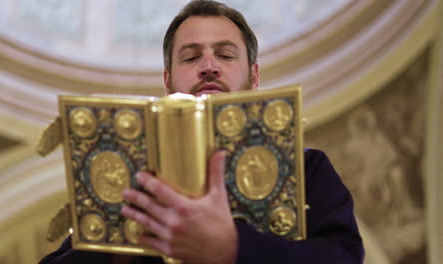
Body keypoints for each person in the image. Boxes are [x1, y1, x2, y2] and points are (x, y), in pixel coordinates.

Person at [39, 1, 364, 263]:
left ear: (254, 76)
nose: (209, 65)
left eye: (225, 54)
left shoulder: (306, 169)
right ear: (167, 82)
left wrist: (233, 248)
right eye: (191, 57)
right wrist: (117, 248)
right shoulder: (132, 185)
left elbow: (344, 258)